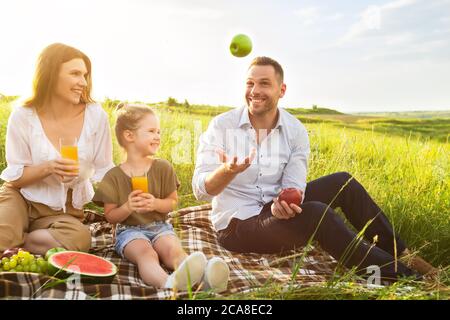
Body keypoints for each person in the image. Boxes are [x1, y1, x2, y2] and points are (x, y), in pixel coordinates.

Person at [192, 56, 437, 284]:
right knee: (317, 214)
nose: (254, 91)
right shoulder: (222, 126)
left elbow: (294, 183)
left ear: (282, 90)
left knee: (344, 182)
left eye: (264, 83)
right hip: (237, 227)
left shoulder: (294, 130)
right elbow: (200, 191)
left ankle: (400, 252)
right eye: (250, 83)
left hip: (274, 213)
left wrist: (287, 202)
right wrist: (227, 170)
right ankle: (410, 279)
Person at [93, 103, 229, 291]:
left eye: (158, 131)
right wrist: (128, 207)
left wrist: (156, 203)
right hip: (128, 231)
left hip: (160, 226)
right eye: (151, 131)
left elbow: (172, 202)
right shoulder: (113, 176)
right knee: (147, 254)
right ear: (129, 135)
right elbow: (110, 216)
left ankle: (205, 280)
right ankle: (167, 283)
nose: (158, 136)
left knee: (173, 251)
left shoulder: (163, 168)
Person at [0, 43, 114, 255]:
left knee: (79, 239)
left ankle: (17, 240)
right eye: (75, 73)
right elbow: (14, 178)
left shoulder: (95, 116)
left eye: (85, 75)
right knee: (2, 236)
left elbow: (104, 170)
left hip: (64, 212)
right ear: (51, 74)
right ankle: (15, 237)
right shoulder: (24, 116)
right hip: (21, 199)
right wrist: (49, 167)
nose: (83, 82)